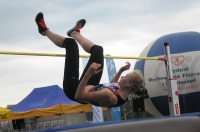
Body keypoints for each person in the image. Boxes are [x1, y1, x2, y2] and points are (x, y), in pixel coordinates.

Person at [35, 12, 147, 108]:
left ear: (129, 84)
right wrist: (120, 71)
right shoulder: (122, 90)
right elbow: (111, 85)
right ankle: (75, 33)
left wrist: (89, 73)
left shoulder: (110, 97)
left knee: (70, 44)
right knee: (98, 50)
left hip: (74, 90)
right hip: (92, 85)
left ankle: (44, 30)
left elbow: (79, 96)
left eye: (125, 77)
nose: (123, 77)